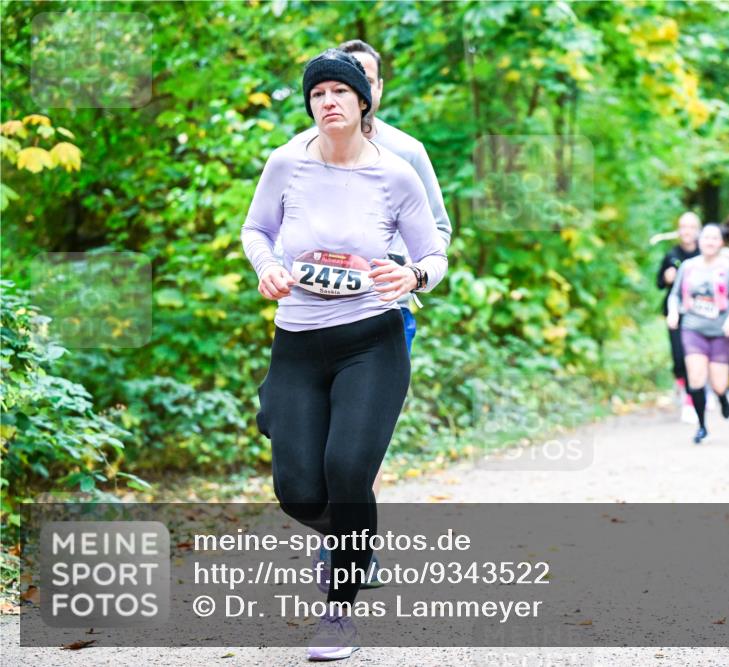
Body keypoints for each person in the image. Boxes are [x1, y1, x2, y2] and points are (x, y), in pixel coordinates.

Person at [240, 48, 447, 660]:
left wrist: (412, 278)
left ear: (364, 102)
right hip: (297, 343)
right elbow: (256, 230)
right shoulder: (285, 165)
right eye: (317, 93)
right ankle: (359, 536)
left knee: (347, 472)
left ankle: (338, 614)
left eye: (339, 92)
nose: (327, 102)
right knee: (299, 492)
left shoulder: (397, 172)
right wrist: (268, 267)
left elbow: (434, 251)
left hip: (371, 342)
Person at [284, 39, 453, 587]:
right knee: (308, 445)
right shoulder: (303, 152)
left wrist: (399, 269)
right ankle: (346, 530)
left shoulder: (407, 153)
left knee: (354, 441)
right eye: (326, 87)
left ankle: (348, 547)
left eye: (360, 79)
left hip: (385, 309)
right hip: (307, 318)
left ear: (373, 91)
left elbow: (438, 235)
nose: (339, 93)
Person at [667, 224, 729, 444]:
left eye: (715, 238)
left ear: (721, 243)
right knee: (695, 377)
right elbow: (674, 295)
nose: (710, 242)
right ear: (699, 240)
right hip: (693, 328)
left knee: (719, 383)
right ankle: (702, 425)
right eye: (706, 238)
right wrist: (674, 312)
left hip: (722, 331)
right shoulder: (688, 267)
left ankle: (723, 396)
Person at [656, 211, 702, 424]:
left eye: (691, 227)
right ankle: (684, 387)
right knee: (678, 356)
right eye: (683, 227)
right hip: (676, 313)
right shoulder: (671, 254)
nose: (687, 231)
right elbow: (658, 283)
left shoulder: (705, 254)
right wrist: (667, 278)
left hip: (700, 313)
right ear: (678, 230)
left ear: (698, 230)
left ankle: (693, 398)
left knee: (696, 356)